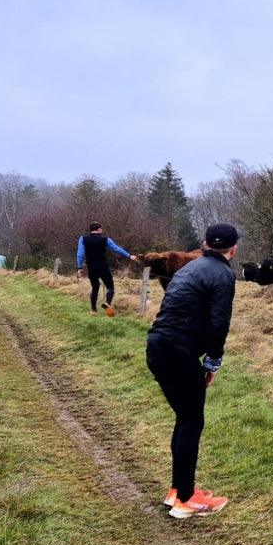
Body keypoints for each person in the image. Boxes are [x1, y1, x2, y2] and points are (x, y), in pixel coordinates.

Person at [145, 223, 239, 518]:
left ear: (205, 243)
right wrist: (213, 362)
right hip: (179, 353)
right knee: (191, 421)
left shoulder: (190, 268)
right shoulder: (223, 274)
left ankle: (178, 490)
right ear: (233, 250)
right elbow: (218, 323)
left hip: (157, 346)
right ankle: (186, 499)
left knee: (185, 419)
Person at [76, 222, 138, 316]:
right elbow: (116, 249)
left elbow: (80, 254)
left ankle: (93, 310)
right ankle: (107, 303)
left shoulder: (83, 239)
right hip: (103, 266)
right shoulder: (105, 239)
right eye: (101, 229)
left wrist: (79, 267)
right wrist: (129, 256)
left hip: (91, 267)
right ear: (99, 229)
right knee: (110, 288)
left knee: (95, 287)